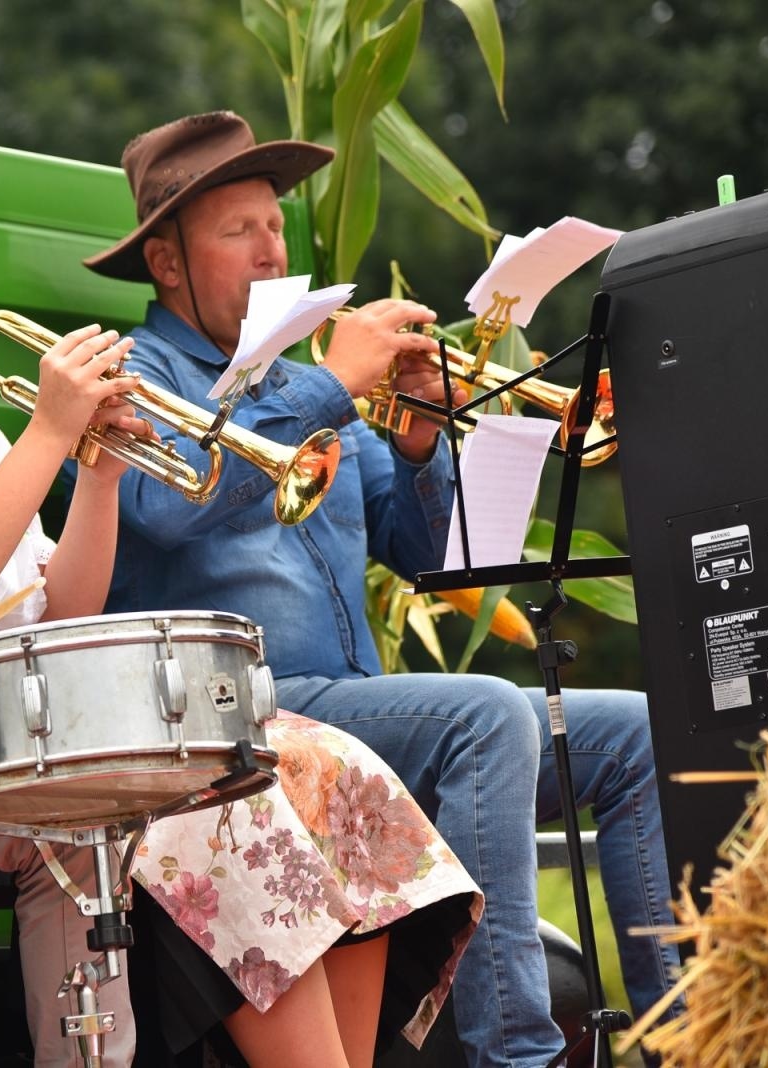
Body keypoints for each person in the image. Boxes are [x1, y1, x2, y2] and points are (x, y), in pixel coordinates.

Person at [0, 133, 482, 1068]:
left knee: (325, 765)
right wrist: (50, 437)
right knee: (220, 794)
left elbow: (65, 613)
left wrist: (95, 471)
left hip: (34, 723)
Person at [78, 111, 682, 1068]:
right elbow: (163, 511)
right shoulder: (138, 373)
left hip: (353, 709)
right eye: (236, 231)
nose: (270, 249)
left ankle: (685, 1044)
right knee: (487, 716)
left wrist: (419, 443)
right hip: (242, 712)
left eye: (275, 226)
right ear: (164, 261)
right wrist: (328, 388)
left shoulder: (300, 379)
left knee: (634, 735)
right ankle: (517, 1058)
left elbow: (434, 559)